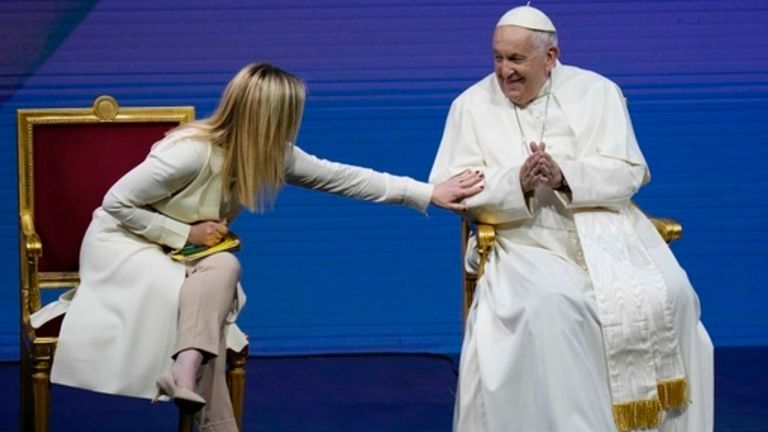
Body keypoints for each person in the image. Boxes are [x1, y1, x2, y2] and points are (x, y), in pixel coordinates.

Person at [39, 63, 484, 432]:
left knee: (225, 269)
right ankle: (213, 416)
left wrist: (426, 193)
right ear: (269, 117)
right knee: (201, 305)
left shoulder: (273, 154)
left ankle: (184, 370)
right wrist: (186, 235)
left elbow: (344, 177)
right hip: (126, 244)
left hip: (184, 255)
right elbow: (115, 204)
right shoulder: (190, 153)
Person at [428, 5, 713, 432]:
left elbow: (630, 171)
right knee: (555, 307)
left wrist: (566, 176)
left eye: (517, 60)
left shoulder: (598, 92)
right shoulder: (469, 105)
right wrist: (516, 182)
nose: (505, 72)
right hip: (523, 238)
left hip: (609, 230)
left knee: (675, 295)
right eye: (498, 57)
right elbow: (453, 186)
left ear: (551, 56)